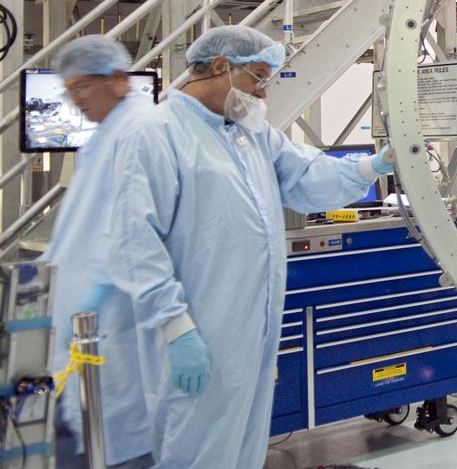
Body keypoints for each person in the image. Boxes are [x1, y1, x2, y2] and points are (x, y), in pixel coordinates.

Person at [107, 26, 393, 469]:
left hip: (251, 331)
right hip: (194, 331)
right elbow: (136, 242)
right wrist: (175, 326)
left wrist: (370, 166)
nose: (263, 93)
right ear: (221, 67)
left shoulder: (249, 134)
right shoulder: (155, 133)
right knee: (195, 451)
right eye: (258, 78)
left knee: (244, 447)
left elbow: (306, 177)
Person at [44, 36, 153, 469]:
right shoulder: (106, 135)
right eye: (69, 91)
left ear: (119, 80)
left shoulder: (140, 131)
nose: (76, 101)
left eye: (83, 87)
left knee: (118, 446)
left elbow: (131, 235)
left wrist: (90, 296)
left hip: (112, 328)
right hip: (82, 332)